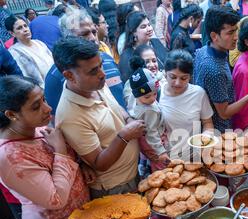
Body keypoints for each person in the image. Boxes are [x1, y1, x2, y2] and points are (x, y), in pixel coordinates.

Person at [53, 37, 144, 199]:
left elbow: (116, 109)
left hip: (132, 174)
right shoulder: (70, 115)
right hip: (115, 188)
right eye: (93, 71)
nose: (102, 74)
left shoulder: (94, 84)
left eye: (100, 65)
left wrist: (129, 120)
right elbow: (99, 163)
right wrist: (125, 135)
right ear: (69, 75)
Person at [0, 75, 90, 219]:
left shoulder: (35, 128)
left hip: (83, 215)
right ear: (12, 115)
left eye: (44, 99)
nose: (48, 108)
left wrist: (82, 166)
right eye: (36, 106)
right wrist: (60, 150)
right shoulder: (8, 157)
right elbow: (55, 199)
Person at [194, 6, 248, 132]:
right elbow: (224, 113)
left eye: (236, 31)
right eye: (230, 33)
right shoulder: (215, 70)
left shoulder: (204, 50)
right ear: (214, 36)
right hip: (219, 131)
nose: (236, 37)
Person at [44, 8, 125, 113]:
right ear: (68, 38)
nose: (92, 38)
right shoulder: (55, 77)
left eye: (94, 32)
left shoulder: (107, 58)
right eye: (84, 34)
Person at [161, 49, 214, 159]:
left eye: (183, 78)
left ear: (190, 77)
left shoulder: (198, 93)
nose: (177, 83)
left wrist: (206, 136)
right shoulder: (156, 95)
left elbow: (207, 122)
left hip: (193, 156)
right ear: (165, 73)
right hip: (165, 158)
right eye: (173, 77)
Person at [128, 57, 169, 170]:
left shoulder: (137, 99)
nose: (152, 99)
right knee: (161, 166)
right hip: (153, 142)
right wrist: (161, 152)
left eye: (155, 94)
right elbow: (151, 133)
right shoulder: (149, 110)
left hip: (145, 140)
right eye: (147, 96)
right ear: (137, 94)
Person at [6, 16, 54, 88]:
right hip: (41, 90)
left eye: (25, 26)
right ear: (12, 33)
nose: (25, 29)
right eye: (19, 28)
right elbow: (25, 79)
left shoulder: (39, 43)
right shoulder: (14, 52)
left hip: (57, 82)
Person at [123, 44, 166, 115]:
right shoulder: (131, 85)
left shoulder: (161, 76)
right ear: (138, 64)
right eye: (147, 62)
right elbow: (133, 109)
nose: (152, 65)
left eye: (154, 61)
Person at [118, 11, 155, 83]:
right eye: (143, 27)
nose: (149, 29)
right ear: (133, 32)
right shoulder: (127, 57)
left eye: (149, 25)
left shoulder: (155, 42)